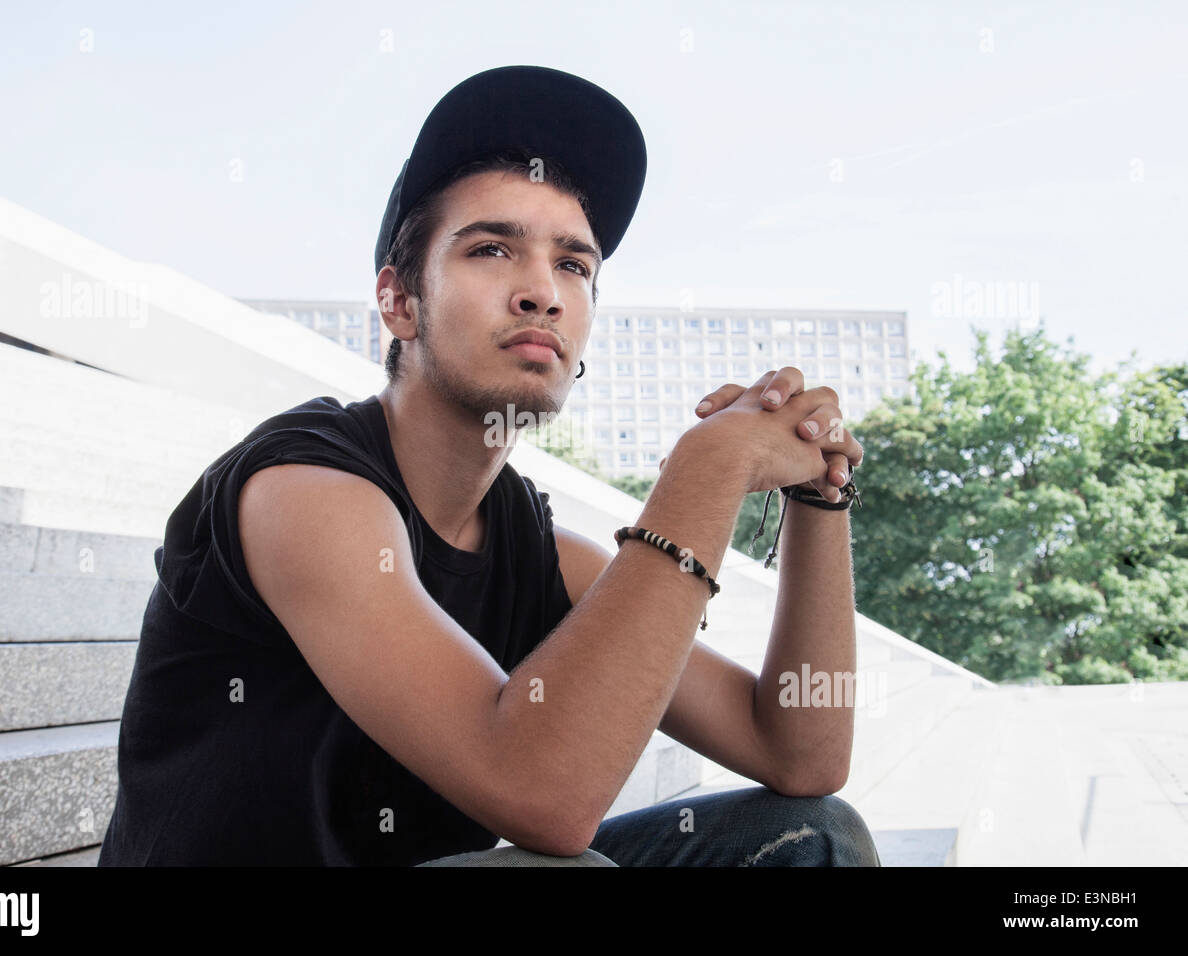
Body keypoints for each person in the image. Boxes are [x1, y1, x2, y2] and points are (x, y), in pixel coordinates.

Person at [98, 65, 876, 867]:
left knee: (815, 839)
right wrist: (705, 471)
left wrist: (820, 500)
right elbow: (547, 799)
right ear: (400, 302)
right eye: (492, 249)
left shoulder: (530, 548)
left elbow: (800, 755)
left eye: (574, 266)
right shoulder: (299, 492)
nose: (541, 290)